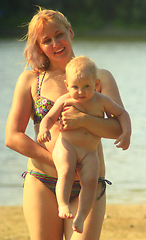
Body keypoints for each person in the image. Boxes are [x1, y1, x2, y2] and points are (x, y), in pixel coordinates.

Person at [5, 7, 131, 240]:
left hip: (88, 183)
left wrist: (83, 119)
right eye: (47, 40)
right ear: (39, 46)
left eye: (59, 35)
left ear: (70, 32)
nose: (55, 43)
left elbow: (118, 128)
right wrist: (55, 161)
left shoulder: (99, 78)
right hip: (41, 180)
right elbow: (12, 136)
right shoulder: (31, 80)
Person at [37, 56, 131, 233]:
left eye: (86, 87)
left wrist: (126, 133)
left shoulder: (101, 100)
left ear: (96, 84)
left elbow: (122, 114)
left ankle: (80, 217)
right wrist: (44, 129)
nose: (80, 92)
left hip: (89, 152)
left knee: (90, 181)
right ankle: (63, 204)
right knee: (65, 170)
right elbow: (48, 117)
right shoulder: (64, 100)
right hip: (68, 147)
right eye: (75, 87)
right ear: (67, 86)